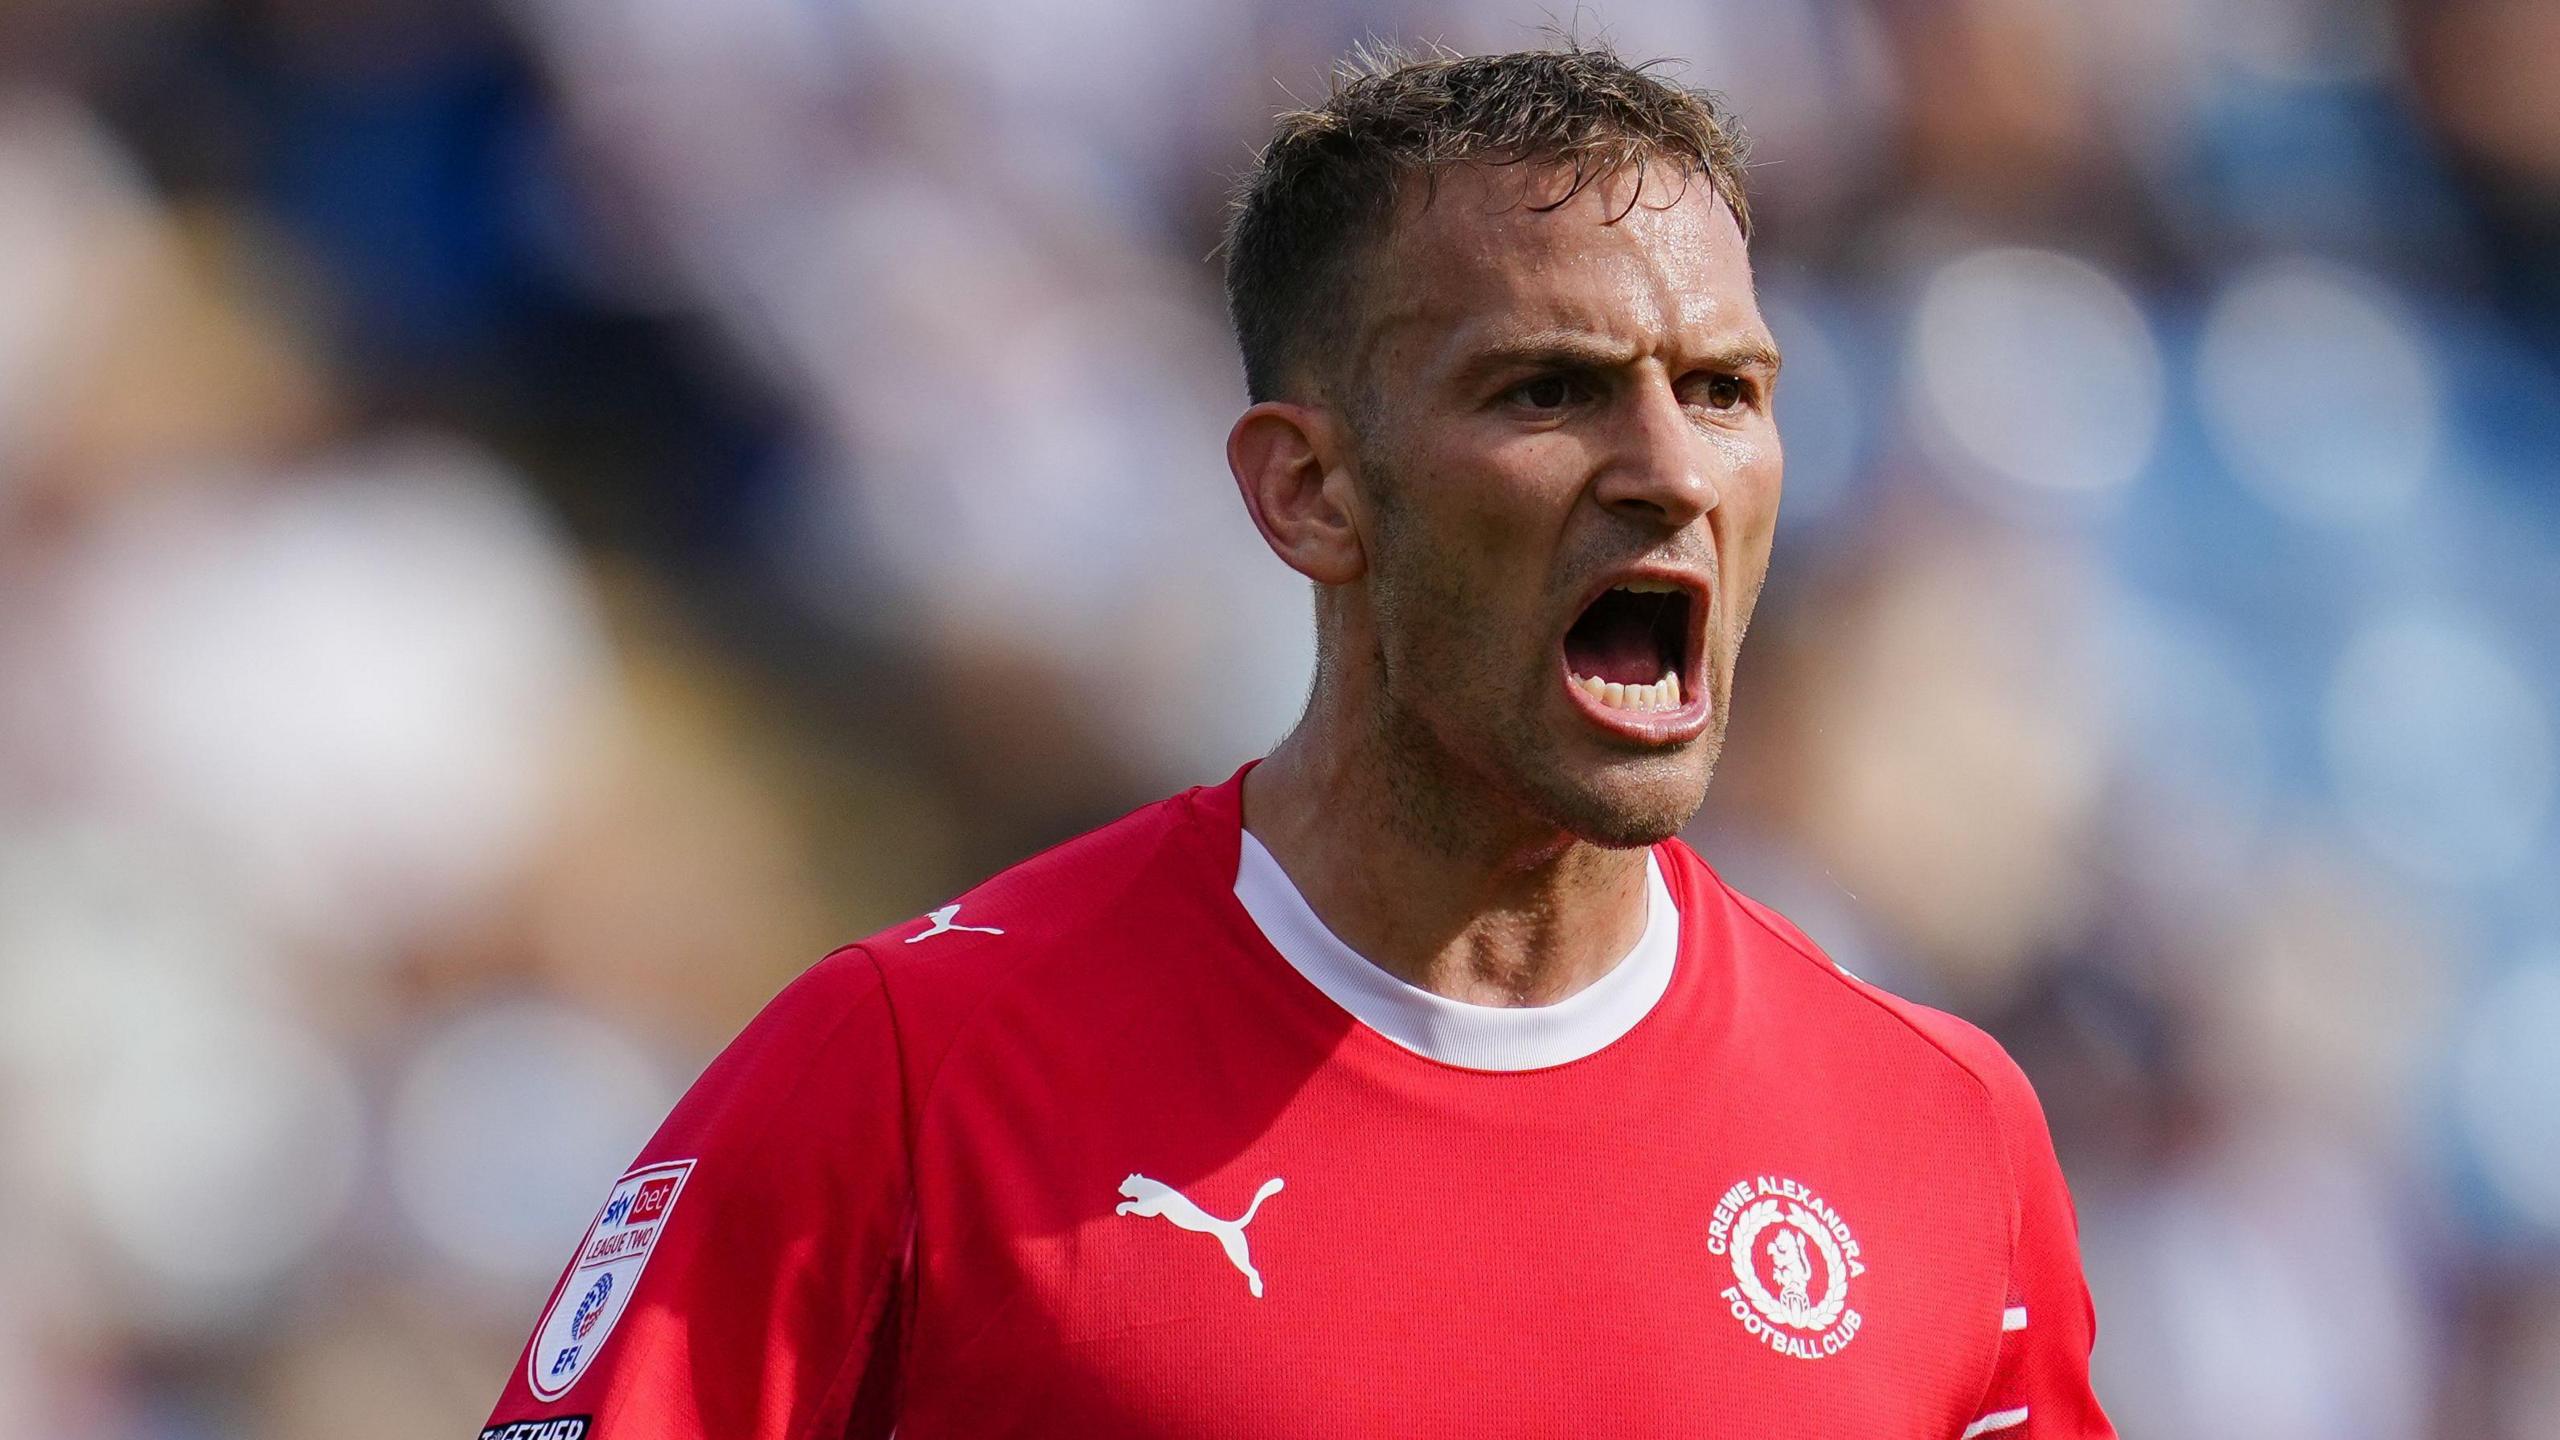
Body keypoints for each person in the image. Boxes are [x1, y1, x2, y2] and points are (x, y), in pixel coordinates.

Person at [481, 41, 2114, 1440]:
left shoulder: (1938, 1134)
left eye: (1725, 391)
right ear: (1310, 492)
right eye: (1549, 392)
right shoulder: (915, 1070)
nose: (1673, 471)